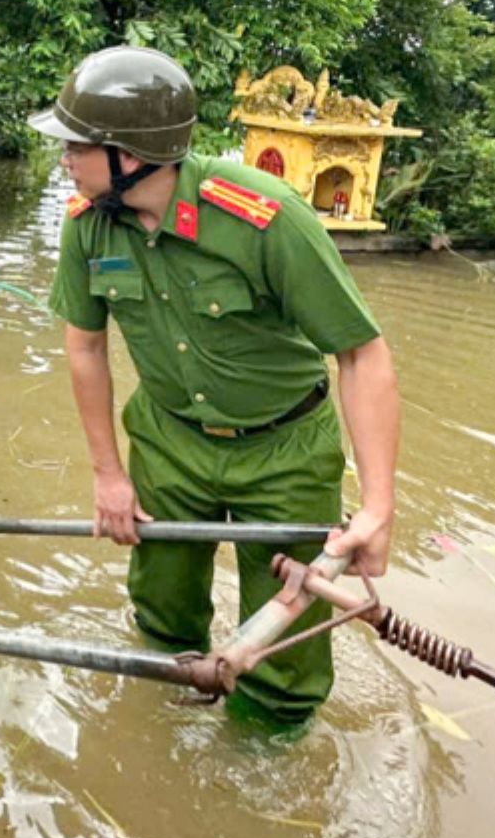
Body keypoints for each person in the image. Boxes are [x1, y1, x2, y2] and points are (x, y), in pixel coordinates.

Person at [38, 46, 401, 728]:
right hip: (170, 443)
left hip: (285, 449)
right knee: (163, 612)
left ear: (130, 153)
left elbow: (362, 354)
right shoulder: (87, 226)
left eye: (76, 147)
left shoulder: (264, 215)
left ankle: (264, 759)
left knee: (286, 636)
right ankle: (164, 728)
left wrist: (379, 505)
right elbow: (85, 347)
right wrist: (108, 475)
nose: (64, 161)